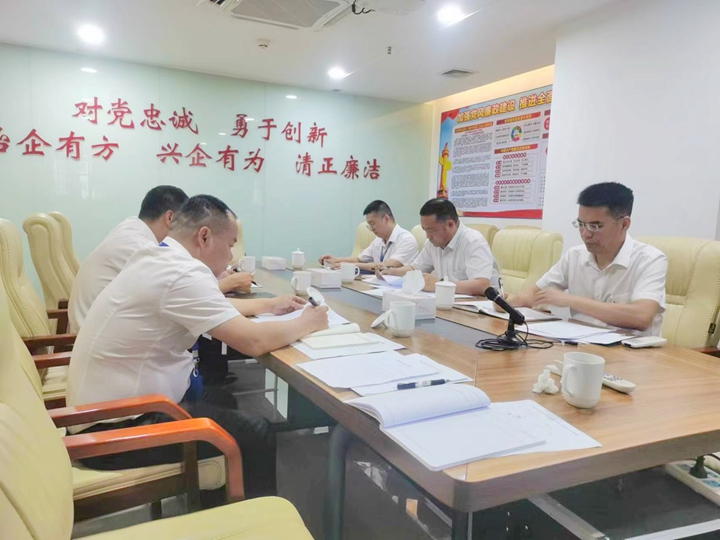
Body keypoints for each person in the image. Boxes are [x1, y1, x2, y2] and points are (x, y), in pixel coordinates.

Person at [66, 195, 329, 498]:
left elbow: (212, 308)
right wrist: (308, 322)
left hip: (106, 412)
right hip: (114, 429)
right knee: (257, 431)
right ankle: (253, 516)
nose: (231, 256)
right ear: (204, 236)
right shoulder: (181, 272)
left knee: (222, 398)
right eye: (230, 245)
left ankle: (216, 498)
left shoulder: (158, 256)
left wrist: (269, 305)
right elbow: (253, 341)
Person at [68, 185, 252, 332]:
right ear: (170, 218)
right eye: (184, 220)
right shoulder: (138, 246)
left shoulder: (132, 230)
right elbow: (183, 292)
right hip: (94, 335)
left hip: (102, 328)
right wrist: (229, 283)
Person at [505, 182, 667, 336]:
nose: (586, 234)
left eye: (595, 226)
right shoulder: (574, 256)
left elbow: (641, 317)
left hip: (631, 352)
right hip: (581, 346)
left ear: (624, 224)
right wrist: (508, 302)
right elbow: (533, 294)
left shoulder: (650, 260)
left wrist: (572, 301)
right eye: (581, 224)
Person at [384, 198, 500, 296]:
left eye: (431, 230)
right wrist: (392, 271)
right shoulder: (432, 244)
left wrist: (438, 285)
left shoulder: (473, 241)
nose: (428, 236)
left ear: (450, 224)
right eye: (425, 230)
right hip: (449, 303)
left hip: (482, 307)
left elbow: (482, 285)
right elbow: (416, 268)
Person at [318, 200, 418, 271]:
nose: (371, 228)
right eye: (369, 225)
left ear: (386, 219)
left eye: (373, 224)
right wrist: (337, 260)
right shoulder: (379, 240)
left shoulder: (407, 240)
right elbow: (359, 259)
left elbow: (388, 266)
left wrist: (350, 266)